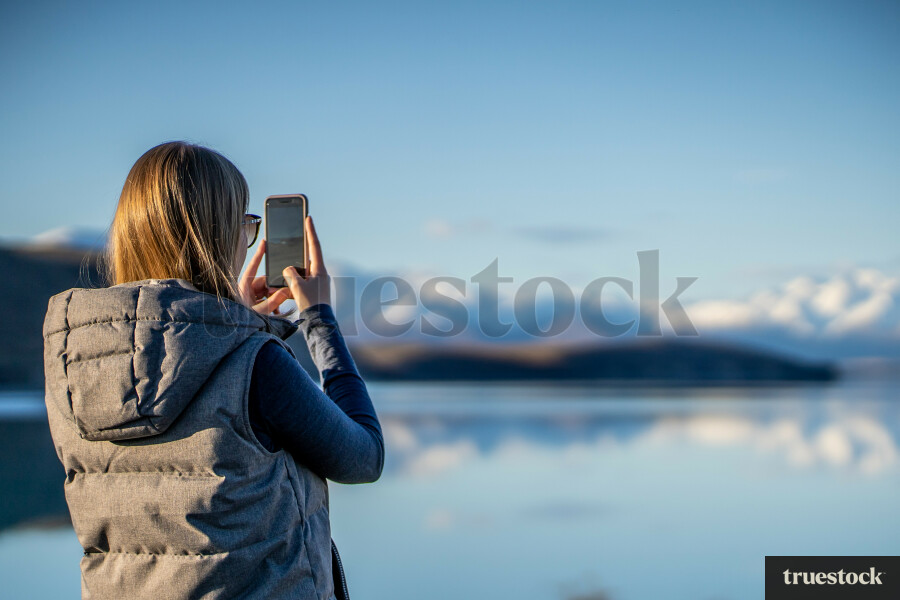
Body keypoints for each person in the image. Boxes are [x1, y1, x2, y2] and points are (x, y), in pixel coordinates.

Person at [42, 141, 383, 600]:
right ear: (218, 235)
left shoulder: (71, 365)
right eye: (243, 224)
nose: (246, 239)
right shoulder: (256, 364)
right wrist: (317, 319)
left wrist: (227, 318)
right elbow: (364, 457)